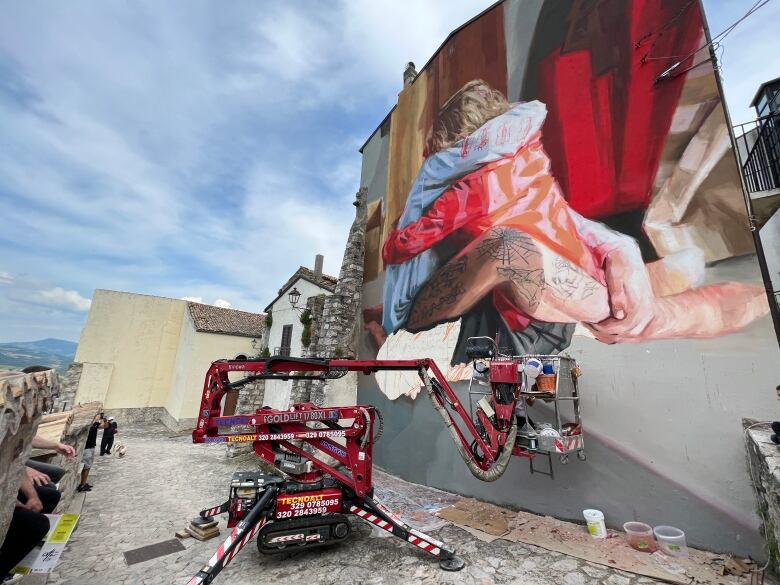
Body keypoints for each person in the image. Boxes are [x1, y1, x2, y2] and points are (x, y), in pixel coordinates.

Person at [380, 80, 769, 351]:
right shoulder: (531, 155)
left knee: (646, 320)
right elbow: (559, 215)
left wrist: (401, 229)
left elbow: (401, 248)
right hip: (581, 262)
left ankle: (751, 296)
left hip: (549, 291)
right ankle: (764, 295)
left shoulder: (469, 190)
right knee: (657, 308)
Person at [78, 414, 107, 491]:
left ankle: (83, 483)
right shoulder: (89, 426)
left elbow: (104, 426)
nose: (98, 416)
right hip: (87, 448)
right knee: (86, 467)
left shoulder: (95, 424)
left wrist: (104, 420)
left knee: (87, 467)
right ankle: (82, 486)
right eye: (96, 415)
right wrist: (96, 420)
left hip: (90, 448)